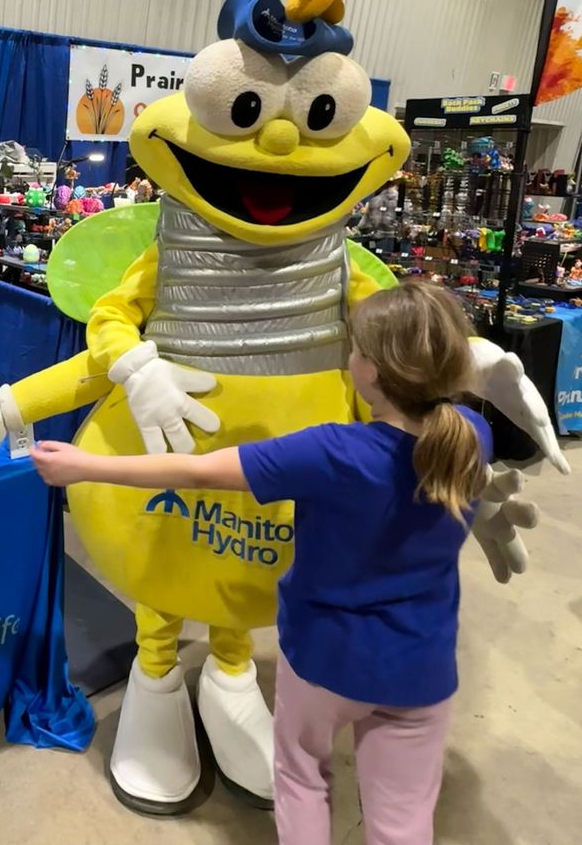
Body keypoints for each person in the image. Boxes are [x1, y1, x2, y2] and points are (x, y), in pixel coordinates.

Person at [31, 281, 492, 845]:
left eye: (355, 349)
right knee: (404, 818)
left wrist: (87, 467)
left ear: (371, 371)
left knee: (301, 779)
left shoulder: (335, 453)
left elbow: (198, 472)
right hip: (422, 666)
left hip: (326, 657)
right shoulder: (472, 437)